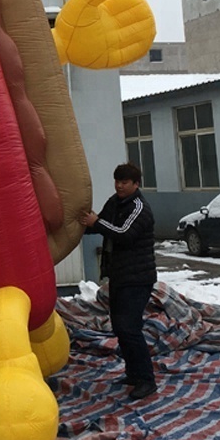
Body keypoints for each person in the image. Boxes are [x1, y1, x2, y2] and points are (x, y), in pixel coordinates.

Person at [79, 162, 157, 400]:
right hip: (120, 276)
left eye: (125, 182)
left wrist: (97, 223)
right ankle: (133, 373)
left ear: (136, 184)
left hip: (137, 278)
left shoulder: (139, 208)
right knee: (120, 328)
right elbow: (102, 224)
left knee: (130, 328)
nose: (120, 186)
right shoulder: (115, 202)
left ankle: (146, 380)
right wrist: (80, 223)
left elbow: (123, 234)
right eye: (117, 181)